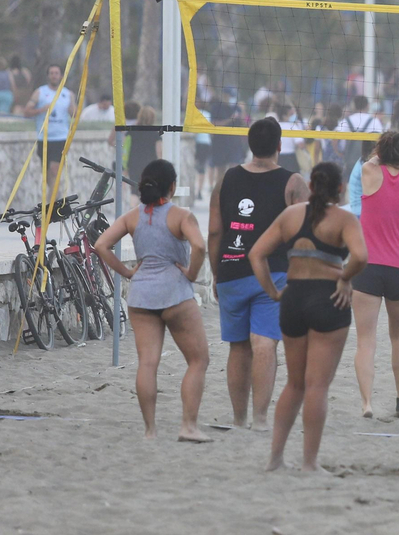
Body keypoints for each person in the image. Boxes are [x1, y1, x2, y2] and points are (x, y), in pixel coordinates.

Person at [250, 162, 367, 473]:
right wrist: (345, 278)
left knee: (294, 384)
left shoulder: (291, 216)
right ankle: (309, 463)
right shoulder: (344, 218)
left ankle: (275, 459)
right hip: (328, 298)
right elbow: (362, 256)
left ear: (312, 187)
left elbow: (256, 254)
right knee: (317, 386)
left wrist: (273, 292)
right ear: (340, 189)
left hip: (293, 298)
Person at [93, 159, 210, 442]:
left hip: (142, 294)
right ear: (171, 186)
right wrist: (191, 274)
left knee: (147, 363)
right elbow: (200, 246)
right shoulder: (181, 215)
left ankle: (150, 431)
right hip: (175, 293)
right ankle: (188, 426)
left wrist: (128, 272)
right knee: (198, 360)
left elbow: (101, 245)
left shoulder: (132, 217)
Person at [208, 117, 308, 430]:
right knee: (264, 343)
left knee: (238, 347)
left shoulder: (226, 179)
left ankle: (239, 420)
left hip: (230, 268)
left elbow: (214, 231)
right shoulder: (294, 183)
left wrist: (216, 272)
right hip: (273, 271)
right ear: (280, 146)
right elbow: (308, 234)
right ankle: (261, 419)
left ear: (250, 145)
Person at [352, 129, 399, 420]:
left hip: (369, 266)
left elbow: (373, 159)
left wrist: (381, 151)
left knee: (365, 340)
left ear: (378, 151)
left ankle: (367, 403)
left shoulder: (368, 171)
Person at [23, 63, 75, 192]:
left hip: (61, 137)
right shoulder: (40, 92)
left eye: (56, 73)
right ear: (48, 76)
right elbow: (27, 111)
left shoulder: (68, 94)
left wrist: (73, 111)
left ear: (61, 76)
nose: (54, 76)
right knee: (47, 175)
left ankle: (54, 202)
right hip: (44, 138)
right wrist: (41, 110)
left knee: (54, 169)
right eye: (51, 73)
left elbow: (76, 113)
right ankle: (54, 196)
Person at [337, 95, 384, 178]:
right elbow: (381, 142)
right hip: (370, 162)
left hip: (349, 162)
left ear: (354, 106)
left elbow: (337, 141)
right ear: (367, 106)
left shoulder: (345, 121)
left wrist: (340, 153)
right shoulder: (374, 121)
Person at [126, 104, 160, 178]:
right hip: (150, 164)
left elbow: (125, 147)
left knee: (135, 187)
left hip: (134, 164)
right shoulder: (155, 133)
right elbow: (159, 151)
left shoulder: (132, 130)